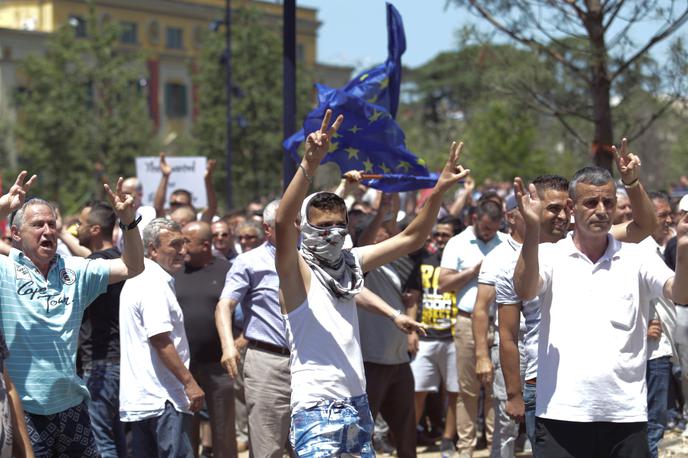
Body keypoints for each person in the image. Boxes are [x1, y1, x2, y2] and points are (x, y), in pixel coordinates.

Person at [274, 110, 468, 455]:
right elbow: (281, 219)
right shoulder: (296, 270)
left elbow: (411, 238)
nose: (333, 233)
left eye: (339, 224)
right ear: (304, 229)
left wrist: (437, 191)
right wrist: (310, 163)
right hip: (317, 409)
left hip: (357, 403)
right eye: (322, 226)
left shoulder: (350, 263)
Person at [512, 164, 687, 457]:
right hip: (560, 415)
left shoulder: (638, 256)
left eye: (608, 202)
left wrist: (683, 249)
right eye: (591, 202)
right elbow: (525, 289)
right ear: (571, 207)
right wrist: (531, 230)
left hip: (625, 417)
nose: (602, 210)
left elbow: (680, 293)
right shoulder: (550, 255)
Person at [1, 173, 144, 456]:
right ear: (16, 234)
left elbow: (133, 266)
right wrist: (5, 205)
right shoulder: (5, 270)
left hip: (71, 407)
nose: (48, 231)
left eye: (52, 224)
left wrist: (127, 221)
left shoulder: (76, 270)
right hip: (23, 411)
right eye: (37, 224)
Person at [118, 218, 204, 457]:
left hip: (147, 400)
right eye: (175, 245)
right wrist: (190, 383)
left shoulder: (143, 278)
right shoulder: (153, 282)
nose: (183, 251)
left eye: (184, 243)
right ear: (152, 250)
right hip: (162, 399)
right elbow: (160, 339)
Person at [215, 200, 292, 458]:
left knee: (313, 447)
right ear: (268, 229)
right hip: (268, 364)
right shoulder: (249, 262)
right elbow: (225, 305)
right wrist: (227, 345)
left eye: (297, 223)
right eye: (286, 225)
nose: (294, 229)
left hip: (309, 362)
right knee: (267, 448)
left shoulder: (311, 258)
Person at [439, 196, 506, 457]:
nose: (488, 232)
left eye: (493, 228)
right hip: (467, 322)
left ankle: (495, 447)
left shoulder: (506, 243)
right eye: (485, 227)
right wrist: (474, 271)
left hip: (500, 323)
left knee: (496, 390)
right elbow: (444, 284)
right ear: (474, 219)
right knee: (467, 390)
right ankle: (465, 448)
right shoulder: (457, 243)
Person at [174, 221, 235, 458]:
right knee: (187, 427)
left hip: (218, 364)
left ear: (206, 244)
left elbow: (242, 312)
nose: (183, 248)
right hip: (184, 366)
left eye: (187, 242)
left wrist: (237, 343)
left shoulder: (226, 270)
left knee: (223, 427)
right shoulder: (175, 271)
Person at [472, 194, 525, 458]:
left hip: (549, 345)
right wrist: (482, 356)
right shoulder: (498, 255)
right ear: (511, 217)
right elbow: (481, 308)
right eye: (525, 210)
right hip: (511, 345)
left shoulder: (554, 247)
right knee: (506, 423)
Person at [76, 201, 127, 457]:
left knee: (100, 439)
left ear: (95, 230)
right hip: (119, 360)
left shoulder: (95, 266)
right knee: (116, 435)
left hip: (101, 363)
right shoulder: (119, 261)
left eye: (81, 224)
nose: (76, 229)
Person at [406, 219, 459, 457]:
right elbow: (413, 297)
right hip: (425, 337)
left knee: (454, 392)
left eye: (445, 235)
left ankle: (448, 438)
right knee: (417, 391)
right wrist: (411, 332)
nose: (439, 239)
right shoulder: (423, 260)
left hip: (454, 337)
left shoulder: (461, 261)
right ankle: (409, 438)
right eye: (436, 234)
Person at [640, 192, 678, 457]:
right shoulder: (638, 251)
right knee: (651, 425)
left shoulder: (659, 248)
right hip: (649, 353)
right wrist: (642, 329)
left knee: (655, 423)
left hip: (661, 350)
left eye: (669, 214)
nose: (669, 220)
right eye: (662, 215)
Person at [154, 152, 217, 222]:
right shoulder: (168, 223)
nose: (175, 207)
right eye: (172, 204)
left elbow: (212, 208)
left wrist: (207, 179)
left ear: (190, 205)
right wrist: (165, 176)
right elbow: (158, 208)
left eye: (179, 204)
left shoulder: (198, 222)